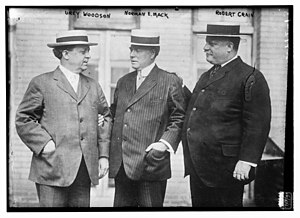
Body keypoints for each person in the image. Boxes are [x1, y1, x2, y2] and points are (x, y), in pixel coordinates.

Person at [15, 30, 112, 207]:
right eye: (83, 51)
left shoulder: (93, 85)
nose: (88, 56)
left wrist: (103, 155)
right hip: (52, 167)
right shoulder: (42, 83)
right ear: (65, 54)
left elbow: (105, 116)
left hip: (84, 169)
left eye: (88, 52)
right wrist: (44, 144)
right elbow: (24, 119)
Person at [182, 24, 271, 207]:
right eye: (206, 43)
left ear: (229, 46)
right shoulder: (207, 76)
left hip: (225, 169)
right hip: (200, 167)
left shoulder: (250, 77)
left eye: (212, 43)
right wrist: (180, 87)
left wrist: (247, 160)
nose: (205, 47)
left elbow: (257, 124)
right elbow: (198, 110)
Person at [107, 29, 186, 207]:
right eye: (131, 49)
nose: (132, 54)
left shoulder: (168, 80)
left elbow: (179, 117)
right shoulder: (123, 81)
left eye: (138, 50)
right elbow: (115, 114)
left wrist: (163, 144)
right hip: (122, 164)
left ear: (152, 53)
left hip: (150, 163)